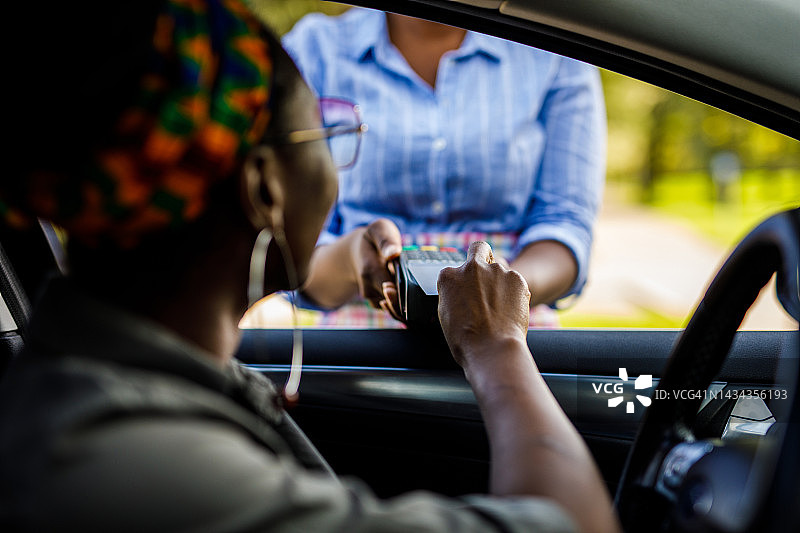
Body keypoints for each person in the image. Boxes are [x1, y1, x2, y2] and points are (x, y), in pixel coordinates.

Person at [0, 1, 619, 532]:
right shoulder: (134, 462)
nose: (337, 156)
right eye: (327, 138)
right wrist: (499, 347)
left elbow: (564, 227)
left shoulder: (110, 393)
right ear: (266, 188)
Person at [281, 8, 606, 327]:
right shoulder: (315, 49)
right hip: (361, 340)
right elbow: (290, 250)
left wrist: (499, 288)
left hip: (511, 325)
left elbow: (565, 225)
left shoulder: (556, 52)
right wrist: (351, 258)